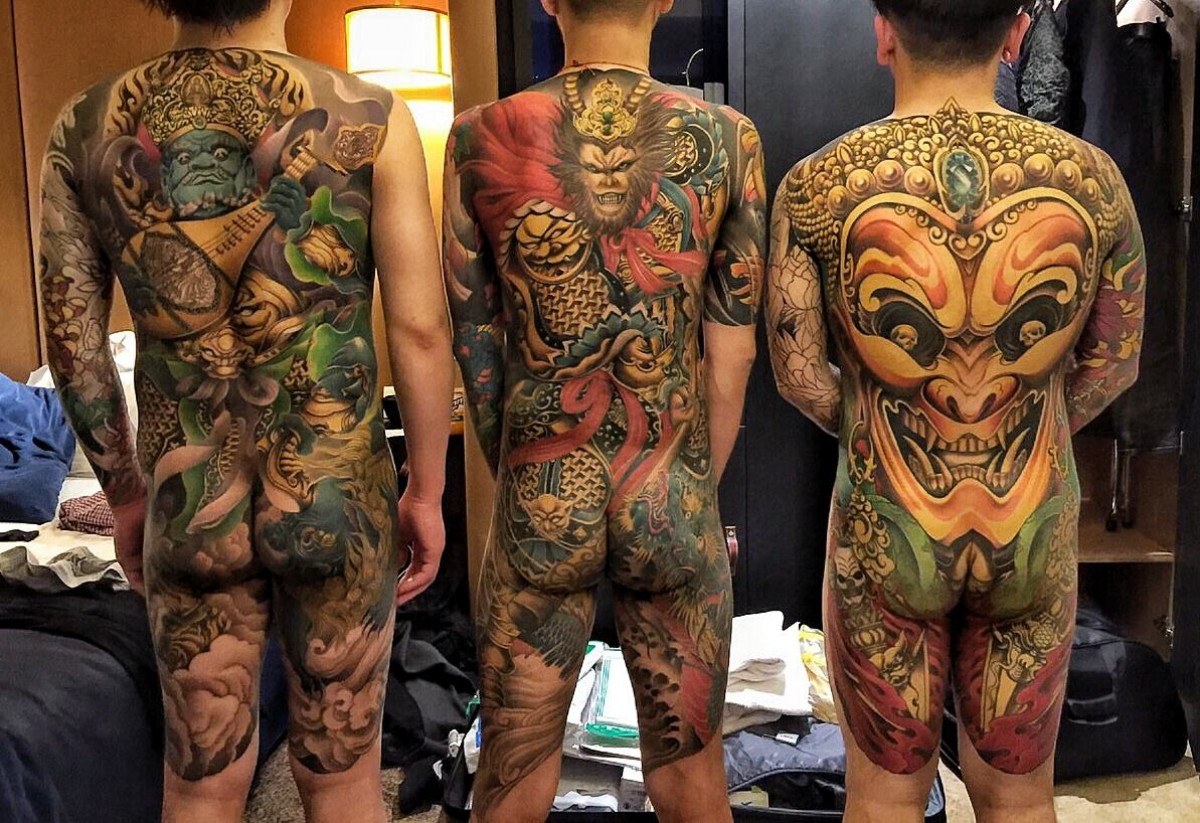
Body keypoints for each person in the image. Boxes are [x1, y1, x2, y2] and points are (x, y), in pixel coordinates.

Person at [36, 0, 456, 820]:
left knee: (201, 783)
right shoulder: (371, 117)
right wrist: (428, 491)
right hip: (335, 498)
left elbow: (72, 343)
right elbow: (420, 329)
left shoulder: (84, 126)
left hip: (191, 504)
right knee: (344, 781)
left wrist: (126, 496)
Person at [766, 2, 1145, 821]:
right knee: (1020, 798)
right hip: (1029, 525)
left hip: (886, 528)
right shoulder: (1093, 181)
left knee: (884, 800)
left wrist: (887, 433)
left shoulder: (818, 185)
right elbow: (1115, 365)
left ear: (883, 32)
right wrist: (1025, 432)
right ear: (1015, 36)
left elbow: (797, 375)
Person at [442, 1, 766, 820]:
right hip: (669, 492)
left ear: (550, 0)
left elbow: (477, 347)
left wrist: (519, 474)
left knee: (512, 777)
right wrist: (692, 487)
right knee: (691, 779)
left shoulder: (479, 136)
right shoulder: (730, 139)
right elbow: (733, 356)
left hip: (544, 488)